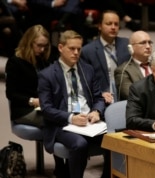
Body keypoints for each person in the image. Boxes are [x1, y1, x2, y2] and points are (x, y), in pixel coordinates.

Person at [37, 30, 106, 178]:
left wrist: (97, 112)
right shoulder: (47, 75)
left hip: (88, 121)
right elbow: (47, 109)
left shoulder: (87, 69)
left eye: (79, 49)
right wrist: (71, 118)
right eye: (72, 49)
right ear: (61, 48)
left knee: (115, 140)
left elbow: (98, 98)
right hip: (62, 124)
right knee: (80, 144)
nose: (76, 53)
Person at [5, 24, 52, 128]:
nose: (42, 50)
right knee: (56, 121)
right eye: (39, 45)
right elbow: (11, 94)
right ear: (29, 42)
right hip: (23, 110)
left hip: (43, 106)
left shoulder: (42, 60)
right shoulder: (15, 62)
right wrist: (32, 101)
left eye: (45, 46)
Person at [80, 10, 131, 104]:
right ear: (99, 26)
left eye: (116, 24)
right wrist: (100, 93)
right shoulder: (87, 51)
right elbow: (85, 80)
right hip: (102, 98)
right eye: (109, 24)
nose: (113, 27)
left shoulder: (127, 45)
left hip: (126, 96)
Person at [114, 30, 152, 101]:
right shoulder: (123, 70)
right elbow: (131, 95)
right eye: (143, 43)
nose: (148, 46)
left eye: (150, 43)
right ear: (131, 48)